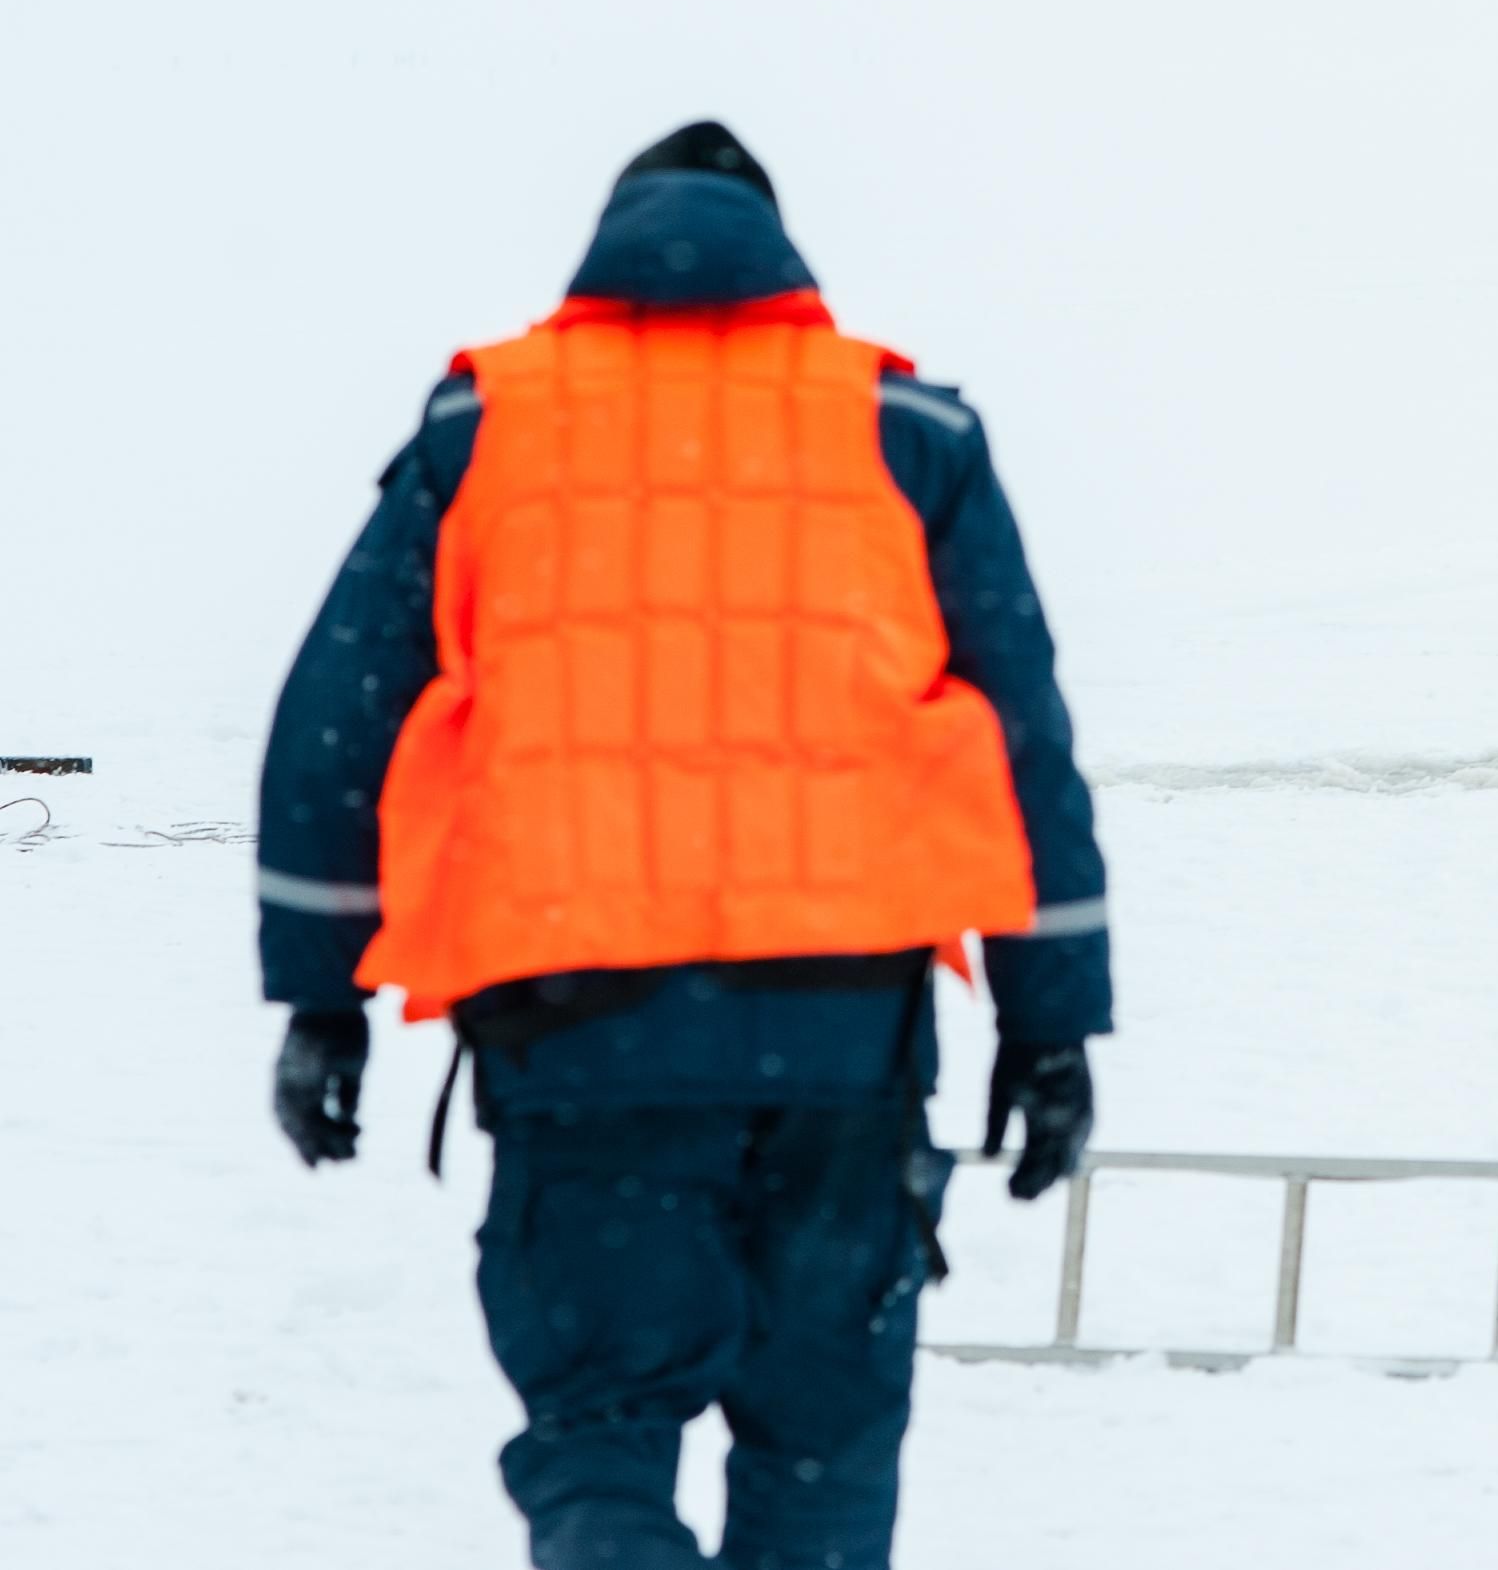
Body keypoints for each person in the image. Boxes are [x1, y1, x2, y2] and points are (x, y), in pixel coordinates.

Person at [256, 121, 1111, 1569]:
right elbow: (1021, 740)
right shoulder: (910, 431)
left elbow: (337, 721)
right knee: (820, 1443)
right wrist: (1051, 1028)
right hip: (843, 1039)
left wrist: (321, 1000)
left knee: (599, 1426)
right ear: (780, 252)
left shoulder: (485, 426)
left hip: (577, 1027)